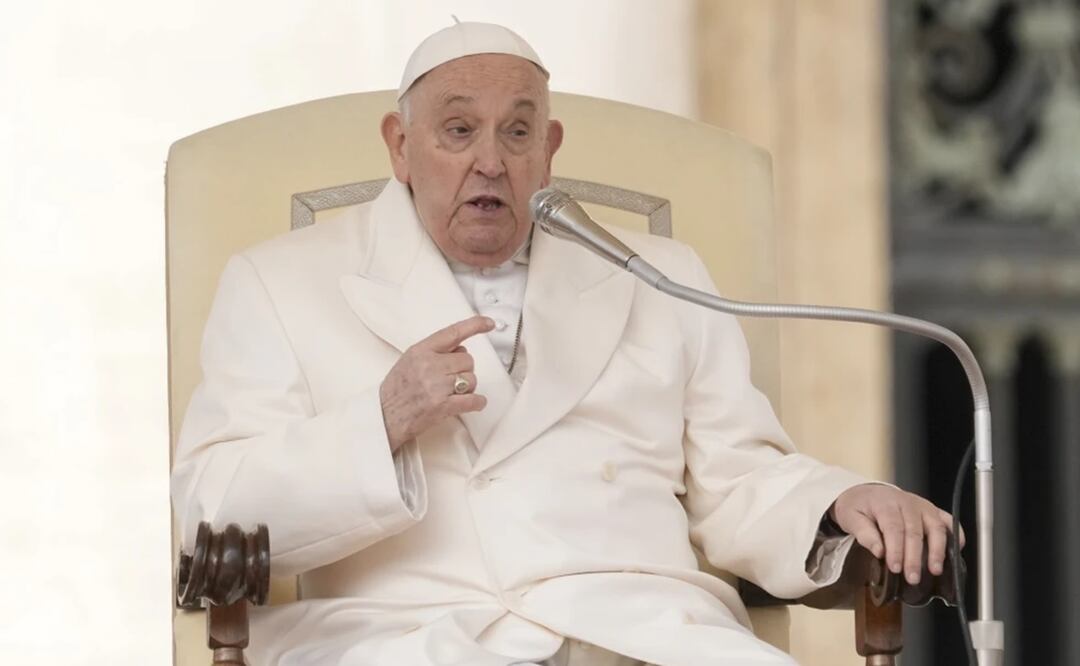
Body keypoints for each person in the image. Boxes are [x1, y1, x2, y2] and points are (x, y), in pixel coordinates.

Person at [171, 21, 962, 666]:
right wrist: (380, 423)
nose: (491, 161)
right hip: (411, 639)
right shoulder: (279, 281)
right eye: (458, 130)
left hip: (643, 633)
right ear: (399, 145)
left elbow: (739, 481)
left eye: (517, 132)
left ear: (549, 149)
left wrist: (837, 503)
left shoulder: (662, 274)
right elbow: (211, 510)